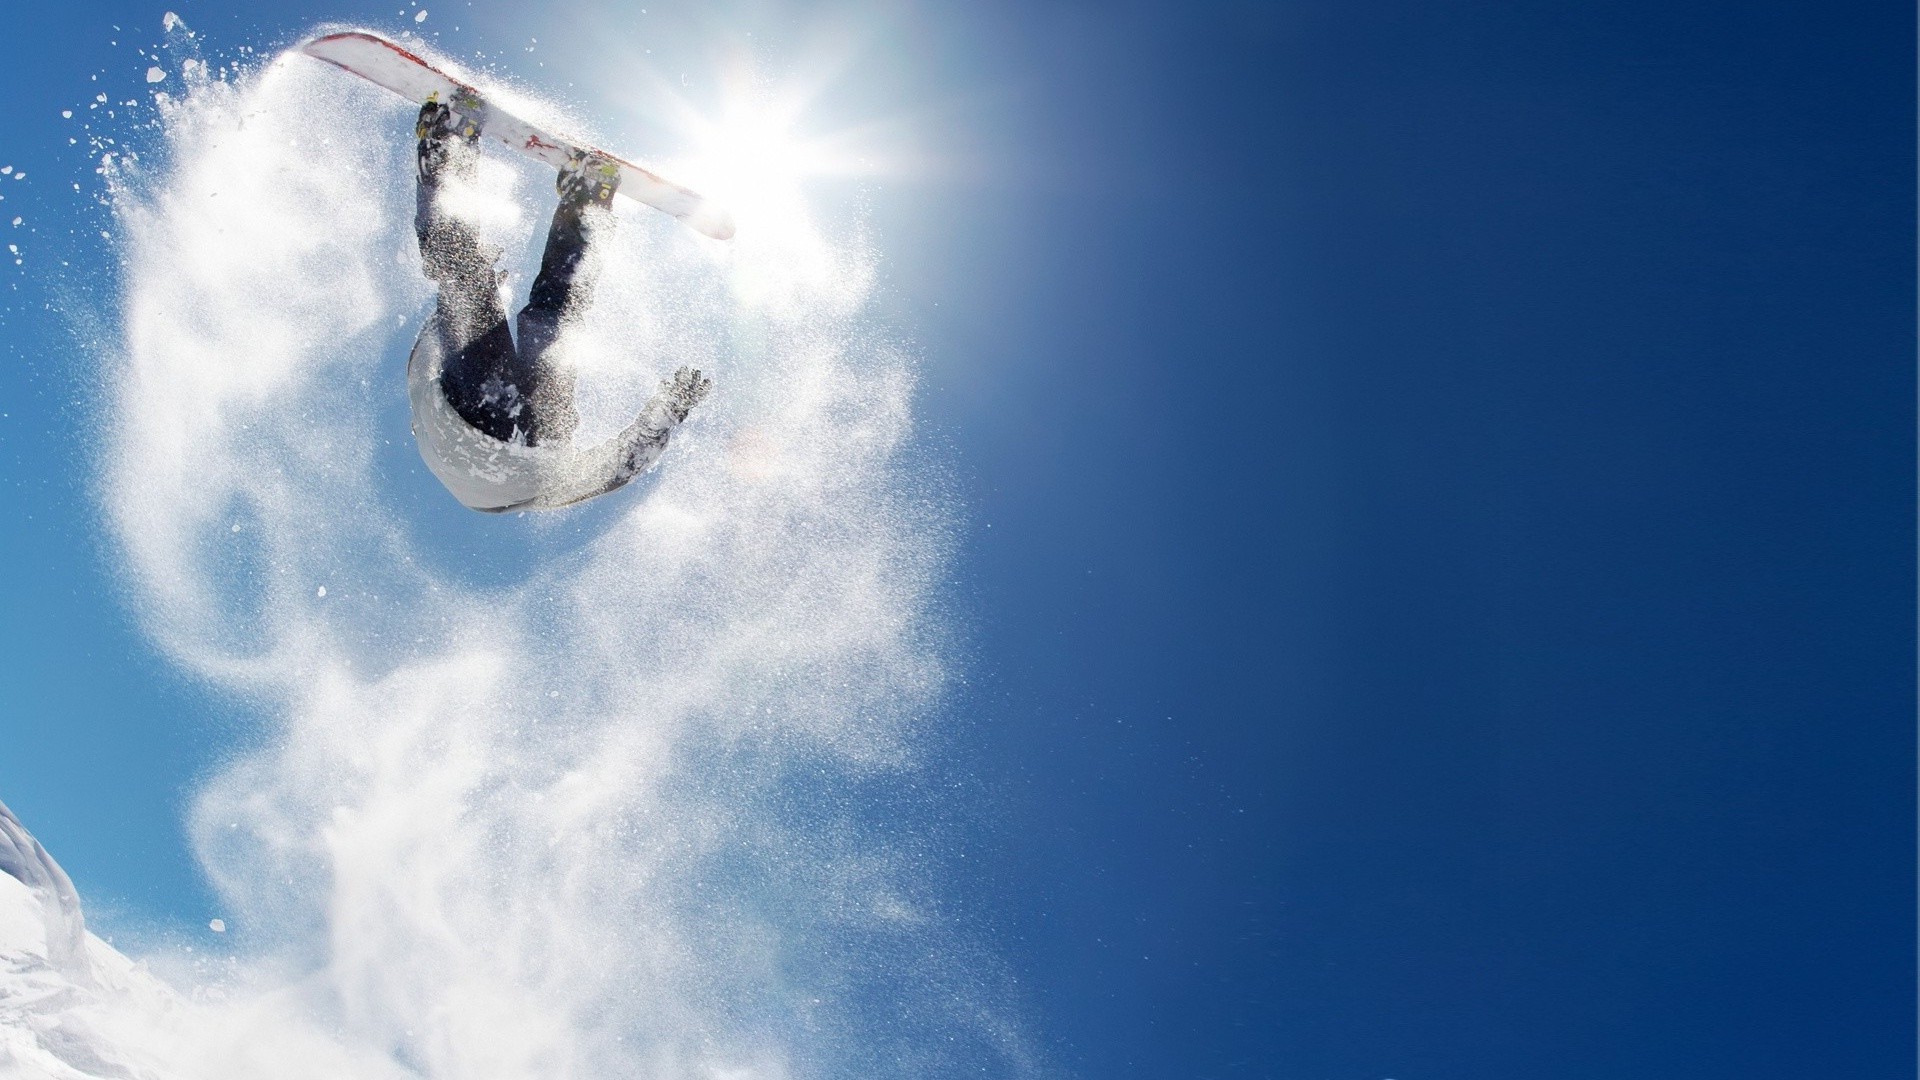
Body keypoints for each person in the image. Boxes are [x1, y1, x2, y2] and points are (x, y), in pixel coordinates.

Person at [408, 93, 710, 512]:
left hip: (538, 441)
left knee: (557, 314)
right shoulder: (439, 434)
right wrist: (467, 290)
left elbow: (615, 470)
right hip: (480, 430)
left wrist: (667, 414)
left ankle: (588, 196)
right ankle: (448, 137)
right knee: (480, 282)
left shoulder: (537, 492)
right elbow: (429, 351)